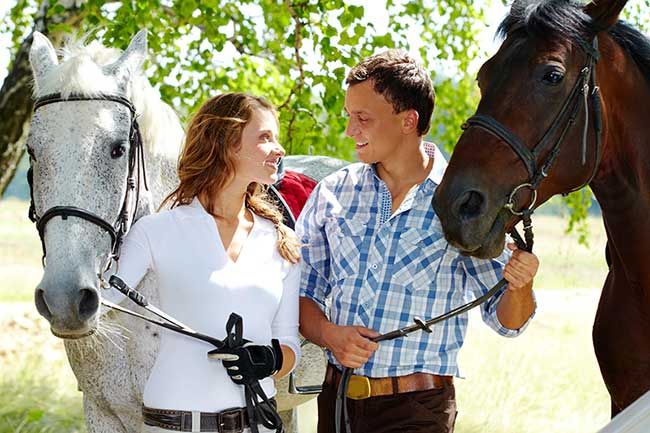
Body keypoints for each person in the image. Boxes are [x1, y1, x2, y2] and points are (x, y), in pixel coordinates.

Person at [296, 50, 539, 433]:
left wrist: (520, 285)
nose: (349, 130)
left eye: (363, 118)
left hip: (417, 411)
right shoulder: (332, 193)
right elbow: (303, 292)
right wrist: (328, 333)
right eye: (348, 116)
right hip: (337, 401)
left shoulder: (461, 202)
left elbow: (508, 322)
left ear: (408, 121)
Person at [115, 93, 301, 433]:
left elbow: (290, 345)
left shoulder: (281, 240)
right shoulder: (155, 231)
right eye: (265, 138)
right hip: (174, 425)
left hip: (257, 423)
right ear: (228, 143)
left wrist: (269, 360)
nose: (279, 149)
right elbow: (100, 300)